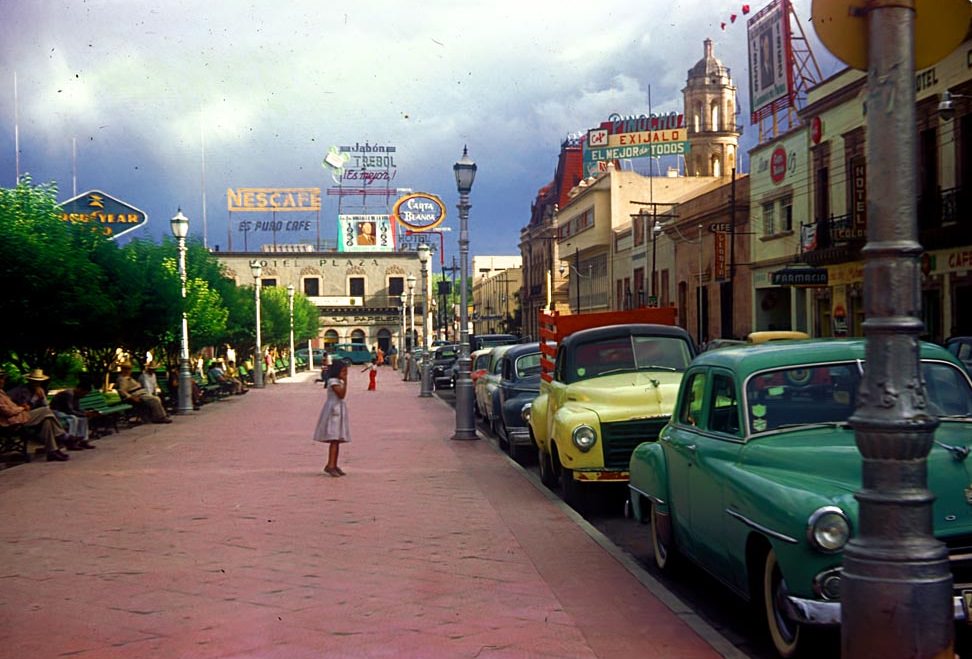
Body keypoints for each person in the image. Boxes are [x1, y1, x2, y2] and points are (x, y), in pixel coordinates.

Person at [0, 370, 71, 461]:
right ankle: (63, 436)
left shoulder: (2, 392)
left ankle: (52, 451)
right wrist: (22, 407)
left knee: (47, 420)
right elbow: (8, 411)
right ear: (30, 381)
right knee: (46, 412)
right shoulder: (21, 390)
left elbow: (45, 405)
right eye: (35, 381)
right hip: (13, 420)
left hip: (27, 416)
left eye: (39, 382)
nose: (3, 381)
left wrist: (41, 397)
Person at [313, 361, 350, 477]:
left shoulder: (338, 381)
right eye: (343, 371)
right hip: (333, 411)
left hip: (339, 409)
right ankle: (330, 464)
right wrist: (346, 382)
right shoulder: (333, 381)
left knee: (337, 439)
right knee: (334, 438)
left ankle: (334, 463)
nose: (345, 374)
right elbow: (341, 394)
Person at [50, 377, 97, 448]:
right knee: (73, 418)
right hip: (56, 411)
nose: (84, 396)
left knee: (83, 418)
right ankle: (71, 441)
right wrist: (84, 414)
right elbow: (69, 410)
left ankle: (83, 440)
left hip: (64, 412)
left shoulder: (77, 396)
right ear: (80, 389)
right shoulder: (69, 394)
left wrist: (86, 413)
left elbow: (77, 409)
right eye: (84, 393)